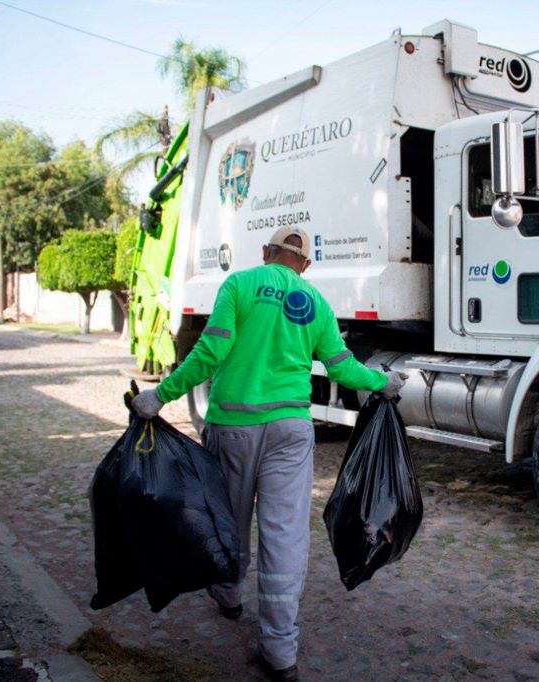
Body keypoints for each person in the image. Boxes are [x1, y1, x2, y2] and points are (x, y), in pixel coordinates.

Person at [131, 226, 406, 681]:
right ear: (305, 265)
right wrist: (384, 382)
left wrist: (160, 395)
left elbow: (210, 351)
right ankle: (279, 650)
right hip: (290, 432)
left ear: (265, 252)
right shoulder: (316, 302)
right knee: (285, 536)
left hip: (233, 428)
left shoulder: (238, 285)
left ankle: (228, 594)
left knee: (230, 519)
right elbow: (342, 367)